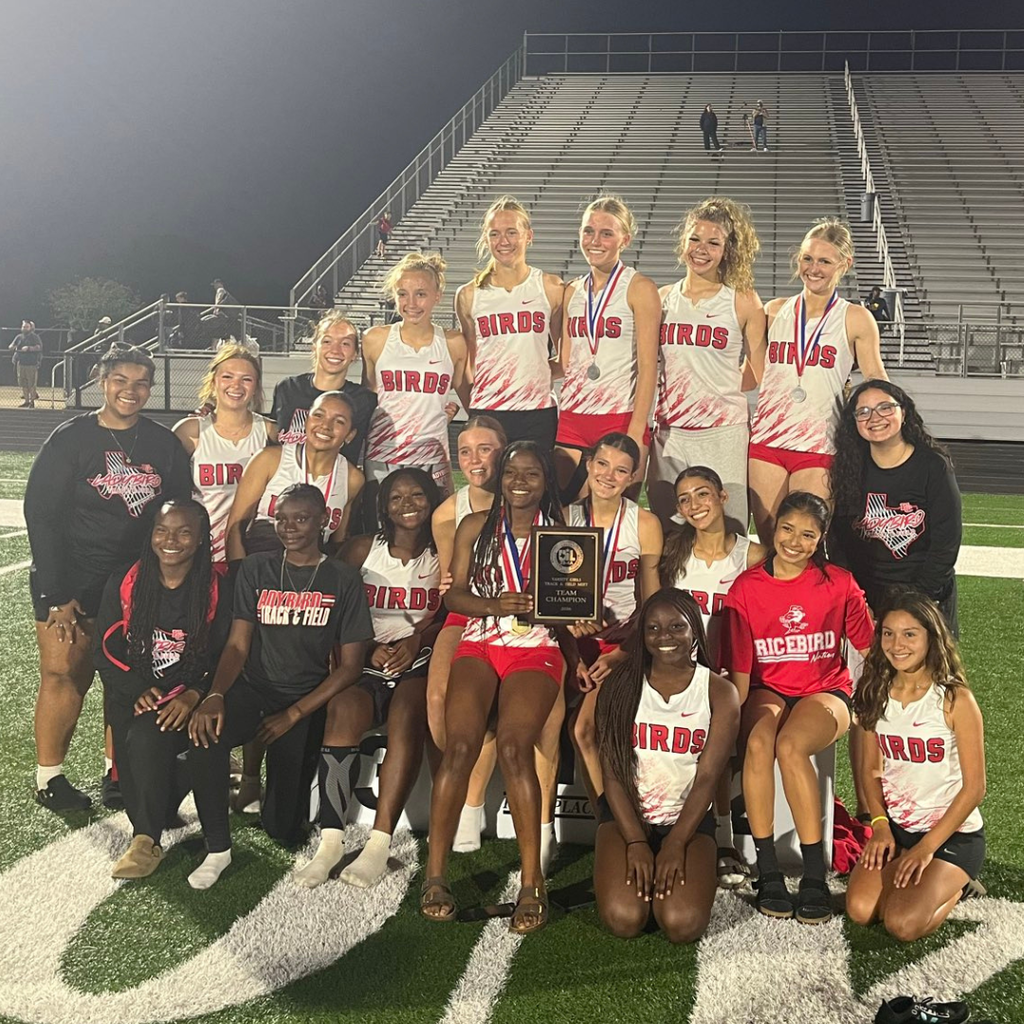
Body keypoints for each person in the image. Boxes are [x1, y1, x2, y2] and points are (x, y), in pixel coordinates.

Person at [25, 345, 192, 811]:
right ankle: (49, 777)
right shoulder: (71, 438)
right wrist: (58, 593)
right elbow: (41, 515)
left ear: (151, 388)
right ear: (103, 381)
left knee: (126, 679)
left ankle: (116, 772)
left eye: (141, 383)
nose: (130, 391)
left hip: (134, 584)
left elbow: (178, 512)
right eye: (121, 380)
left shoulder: (162, 443)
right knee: (65, 674)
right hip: (73, 583)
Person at [186, 483, 373, 890]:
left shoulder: (342, 578)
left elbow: (351, 668)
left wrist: (294, 714)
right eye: (282, 519)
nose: (289, 528)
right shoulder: (257, 568)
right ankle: (217, 846)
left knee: (282, 828)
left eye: (301, 519)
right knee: (205, 737)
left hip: (304, 697)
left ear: (324, 520)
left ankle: (278, 807)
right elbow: (238, 643)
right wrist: (215, 695)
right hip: (254, 689)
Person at [421, 441, 566, 934]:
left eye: (532, 473)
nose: (520, 481)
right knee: (459, 746)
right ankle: (434, 875)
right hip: (480, 641)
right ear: (499, 477)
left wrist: (581, 618)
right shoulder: (474, 527)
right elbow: (456, 593)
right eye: (511, 472)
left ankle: (531, 882)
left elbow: (573, 601)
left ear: (547, 482)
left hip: (535, 647)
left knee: (513, 746)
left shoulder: (564, 536)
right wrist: (495, 607)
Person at [723, 491, 874, 924]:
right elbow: (739, 666)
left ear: (820, 538)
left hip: (824, 690)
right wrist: (732, 721)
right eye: (787, 529)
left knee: (790, 746)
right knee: (758, 744)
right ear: (773, 527)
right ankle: (767, 870)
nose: (794, 541)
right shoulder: (747, 587)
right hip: (767, 689)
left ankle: (813, 875)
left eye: (808, 535)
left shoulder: (838, 582)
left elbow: (869, 645)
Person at [295, 469, 443, 889]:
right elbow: (332, 604)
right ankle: (331, 842)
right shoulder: (363, 549)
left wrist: (418, 639)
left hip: (418, 661)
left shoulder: (443, 552)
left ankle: (379, 844)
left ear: (432, 500)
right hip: (364, 660)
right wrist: (365, 643)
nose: (408, 504)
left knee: (407, 716)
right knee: (342, 712)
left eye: (417, 495)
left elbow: (453, 611)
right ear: (383, 506)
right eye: (397, 497)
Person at [593, 589, 739, 942]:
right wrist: (636, 842)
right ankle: (634, 872)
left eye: (677, 627)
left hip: (686, 821)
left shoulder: (719, 692)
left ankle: (672, 879)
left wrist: (674, 844)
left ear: (694, 632)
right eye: (653, 628)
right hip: (627, 818)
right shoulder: (620, 686)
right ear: (642, 636)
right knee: (625, 919)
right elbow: (612, 775)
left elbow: (706, 778)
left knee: (681, 924)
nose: (664, 637)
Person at [95, 499, 231, 878]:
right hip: (138, 694)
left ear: (202, 539)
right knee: (142, 801)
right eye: (162, 530)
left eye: (184, 532)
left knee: (146, 740)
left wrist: (196, 693)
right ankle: (173, 786)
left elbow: (227, 654)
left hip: (190, 693)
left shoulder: (217, 588)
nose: (171, 540)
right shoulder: (126, 582)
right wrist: (137, 687)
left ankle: (144, 844)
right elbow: (104, 649)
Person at [846, 592, 985, 942]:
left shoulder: (954, 699)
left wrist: (926, 849)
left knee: (902, 923)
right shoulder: (874, 690)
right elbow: (869, 771)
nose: (897, 644)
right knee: (861, 911)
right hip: (897, 830)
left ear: (930, 637)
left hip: (952, 835)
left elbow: (975, 788)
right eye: (888, 633)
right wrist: (879, 826)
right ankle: (914, 871)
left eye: (910, 634)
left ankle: (958, 885)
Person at [747, 218, 887, 542]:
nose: (814, 268)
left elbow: (877, 379)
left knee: (805, 542)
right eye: (808, 258)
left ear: (845, 264)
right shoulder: (773, 311)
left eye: (825, 261)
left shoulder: (854, 317)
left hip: (819, 446)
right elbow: (750, 375)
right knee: (770, 541)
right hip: (767, 443)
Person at [660, 465, 767, 886]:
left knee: (721, 754)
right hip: (678, 671)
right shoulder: (674, 552)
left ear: (723, 497)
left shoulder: (752, 555)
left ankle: (723, 839)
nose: (693, 505)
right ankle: (682, 831)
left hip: (727, 671)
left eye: (702, 494)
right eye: (684, 499)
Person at [646, 197, 766, 529]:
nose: (702, 249)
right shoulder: (662, 298)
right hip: (671, 432)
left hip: (723, 434)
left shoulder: (742, 300)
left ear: (726, 250)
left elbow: (759, 373)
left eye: (713, 242)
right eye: (695, 239)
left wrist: (718, 385)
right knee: (669, 530)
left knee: (730, 529)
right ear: (683, 243)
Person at [567, 433, 663, 812]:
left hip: (620, 642)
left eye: (621, 470)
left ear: (632, 478)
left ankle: (613, 822)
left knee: (584, 730)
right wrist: (570, 637)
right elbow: (548, 595)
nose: (609, 475)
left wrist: (623, 653)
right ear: (588, 465)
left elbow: (652, 605)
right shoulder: (565, 517)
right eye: (602, 465)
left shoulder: (644, 523)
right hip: (570, 642)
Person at [427, 415, 507, 852]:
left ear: (504, 450)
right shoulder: (447, 515)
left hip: (516, 615)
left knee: (491, 699)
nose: (474, 460)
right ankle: (457, 787)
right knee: (439, 700)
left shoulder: (531, 497)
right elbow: (451, 584)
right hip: (469, 613)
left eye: (485, 449)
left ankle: (472, 805)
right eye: (465, 451)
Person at [830, 380, 962, 632]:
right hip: (866, 597)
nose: (875, 417)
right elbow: (839, 542)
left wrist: (917, 600)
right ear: (854, 422)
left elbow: (946, 543)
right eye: (863, 412)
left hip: (925, 593)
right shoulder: (848, 468)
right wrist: (855, 597)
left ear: (904, 413)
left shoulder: (933, 466)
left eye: (885, 408)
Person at [555, 196, 660, 502]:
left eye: (606, 233)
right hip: (572, 420)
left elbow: (649, 368)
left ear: (624, 239)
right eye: (588, 231)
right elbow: (565, 360)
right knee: (568, 520)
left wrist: (636, 431)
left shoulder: (639, 288)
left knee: (613, 521)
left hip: (620, 418)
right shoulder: (571, 291)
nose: (595, 241)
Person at [454, 196, 564, 451]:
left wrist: (530, 373)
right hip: (488, 411)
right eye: (495, 234)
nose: (504, 241)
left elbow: (564, 358)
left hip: (537, 411)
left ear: (529, 236)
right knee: (489, 489)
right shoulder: (469, 295)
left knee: (537, 488)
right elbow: (468, 362)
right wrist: (476, 405)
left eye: (512, 232)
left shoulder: (550, 287)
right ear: (486, 239)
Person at [362, 252, 470, 499]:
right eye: (402, 294)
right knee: (382, 533)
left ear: (437, 297)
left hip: (432, 455)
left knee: (433, 533)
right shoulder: (374, 339)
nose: (411, 303)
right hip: (383, 454)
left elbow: (468, 398)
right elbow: (368, 398)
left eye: (420, 294)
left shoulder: (453, 343)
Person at [226, 390, 364, 561]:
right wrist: (239, 575)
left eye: (339, 421)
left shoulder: (352, 478)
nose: (325, 425)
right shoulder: (269, 460)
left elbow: (338, 543)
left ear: (350, 435)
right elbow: (235, 529)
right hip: (262, 570)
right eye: (318, 415)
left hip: (313, 576)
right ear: (307, 420)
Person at [174, 343, 275, 566]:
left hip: (251, 555)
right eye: (227, 376)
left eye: (246, 379)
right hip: (199, 555)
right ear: (213, 381)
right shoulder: (191, 431)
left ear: (256, 386)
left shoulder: (269, 432)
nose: (236, 386)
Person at [270, 310, 377, 465]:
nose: (335, 350)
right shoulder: (287, 389)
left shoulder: (365, 401)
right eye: (327, 341)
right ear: (315, 347)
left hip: (335, 486)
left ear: (355, 354)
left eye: (345, 343)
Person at [10, 319, 42, 408]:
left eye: (27, 326)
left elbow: (38, 347)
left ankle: (32, 402)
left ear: (30, 328)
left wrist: (29, 348)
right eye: (23, 326)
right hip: (21, 363)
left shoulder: (34, 337)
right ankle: (26, 401)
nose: (25, 328)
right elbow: (11, 346)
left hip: (31, 363)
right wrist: (13, 347)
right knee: (23, 383)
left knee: (31, 383)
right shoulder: (19, 337)